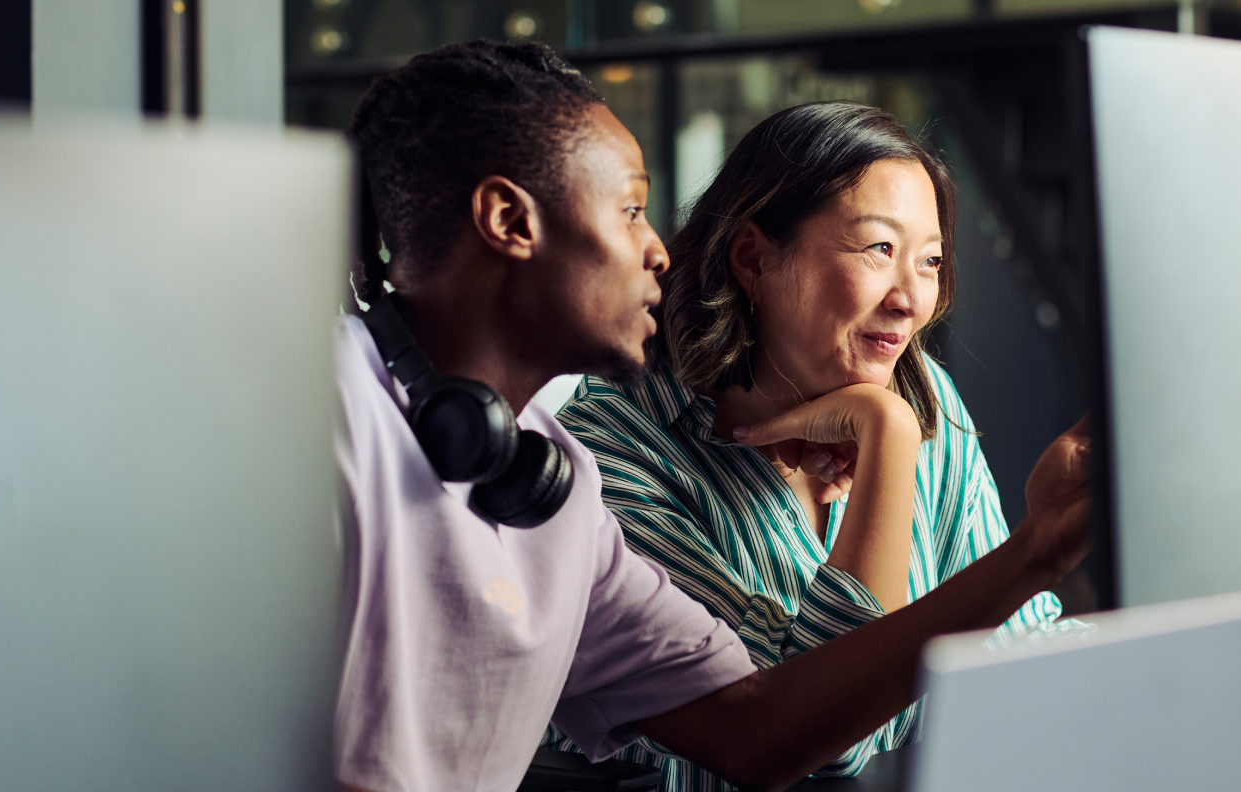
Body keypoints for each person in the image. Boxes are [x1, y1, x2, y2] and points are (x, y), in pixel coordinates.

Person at [544, 101, 1241, 788]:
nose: (911, 300)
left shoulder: (926, 402)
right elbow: (816, 741)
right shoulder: (614, 453)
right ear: (753, 258)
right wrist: (887, 443)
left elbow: (1015, 655)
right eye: (879, 250)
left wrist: (1237, 698)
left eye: (931, 262)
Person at [333, 41, 1093, 792]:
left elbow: (763, 730)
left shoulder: (557, 498)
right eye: (631, 209)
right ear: (509, 219)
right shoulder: (327, 413)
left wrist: (1036, 554)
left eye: (928, 260)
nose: (657, 249)